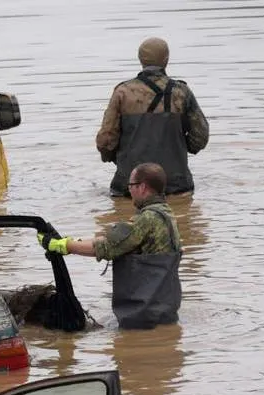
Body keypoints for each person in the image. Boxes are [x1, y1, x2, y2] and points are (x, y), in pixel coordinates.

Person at [38, 162, 182, 329]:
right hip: (165, 308)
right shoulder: (166, 213)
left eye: (131, 185)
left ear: (142, 187)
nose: (129, 190)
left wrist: (63, 246)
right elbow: (113, 240)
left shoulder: (147, 219)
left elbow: (107, 248)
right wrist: (70, 241)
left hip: (144, 314)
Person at [96, 37, 209, 197]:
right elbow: (200, 137)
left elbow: (106, 140)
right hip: (176, 186)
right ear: (166, 60)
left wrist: (114, 157)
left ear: (140, 59)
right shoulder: (182, 92)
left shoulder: (122, 92)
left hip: (131, 187)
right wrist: (182, 147)